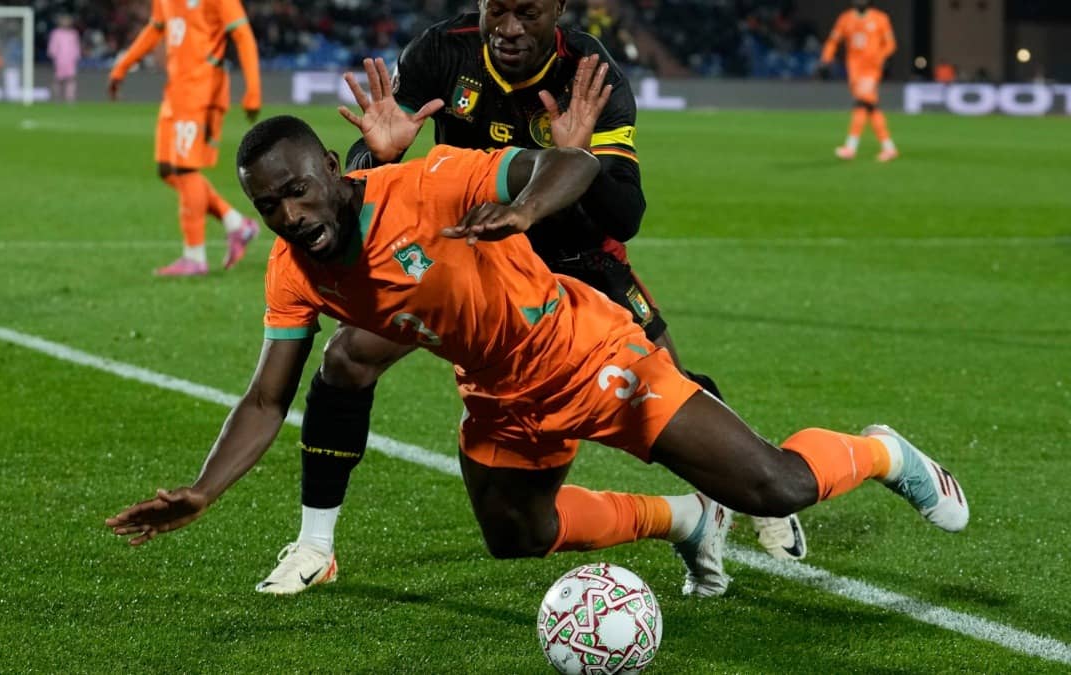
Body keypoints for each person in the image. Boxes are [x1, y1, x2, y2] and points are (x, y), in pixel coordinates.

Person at [106, 116, 970, 603]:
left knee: (776, 485)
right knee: (517, 538)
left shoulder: (430, 184)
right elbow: (267, 398)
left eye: (298, 189)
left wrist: (524, 212)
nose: (289, 214)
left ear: (335, 170)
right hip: (499, 397)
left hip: (590, 356)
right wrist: (203, 491)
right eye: (267, 205)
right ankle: (682, 519)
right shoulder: (293, 270)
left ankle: (885, 451)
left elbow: (570, 161)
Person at [269, 0, 806, 597]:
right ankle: (315, 545)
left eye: (526, 12)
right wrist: (382, 156)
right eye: (497, 11)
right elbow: (362, 177)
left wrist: (583, 157)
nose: (508, 29)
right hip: (476, 255)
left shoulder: (589, 70)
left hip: (575, 255)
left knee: (671, 380)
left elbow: (625, 216)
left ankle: (757, 492)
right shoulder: (437, 51)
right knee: (346, 360)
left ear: (558, 10)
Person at [108, 0, 263, 276]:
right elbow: (155, 29)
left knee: (185, 169)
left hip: (202, 89)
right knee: (167, 170)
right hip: (176, 90)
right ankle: (237, 224)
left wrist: (253, 89)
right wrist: (124, 65)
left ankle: (194, 257)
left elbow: (242, 34)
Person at [820, 0, 898, 162]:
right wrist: (826, 58)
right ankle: (888, 148)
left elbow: (890, 44)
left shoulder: (880, 18)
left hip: (871, 69)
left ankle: (852, 147)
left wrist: (880, 57)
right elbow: (834, 40)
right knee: (867, 107)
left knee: (864, 103)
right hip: (854, 69)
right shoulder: (845, 19)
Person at [47, 14, 81, 103]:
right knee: (58, 79)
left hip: (70, 60)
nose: (66, 22)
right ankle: (57, 98)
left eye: (67, 20)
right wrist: (53, 56)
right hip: (60, 59)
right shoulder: (56, 33)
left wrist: (76, 56)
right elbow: (52, 47)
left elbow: (76, 46)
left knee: (71, 79)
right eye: (64, 20)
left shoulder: (73, 33)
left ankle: (70, 98)